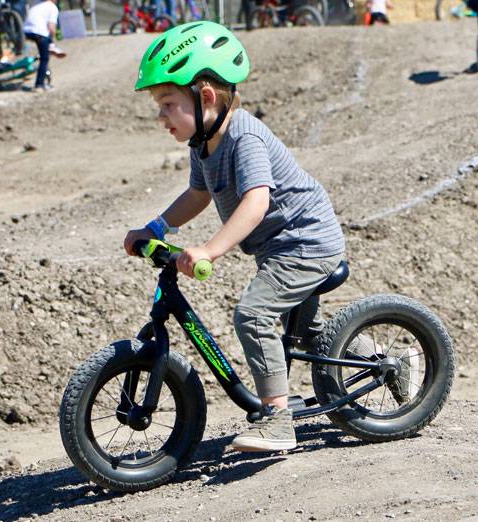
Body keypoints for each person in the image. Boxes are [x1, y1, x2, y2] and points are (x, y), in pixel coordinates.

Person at [124, 22, 347, 452]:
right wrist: (155, 228)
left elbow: (256, 202)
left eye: (168, 103)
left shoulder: (243, 137)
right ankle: (387, 360)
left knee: (253, 314)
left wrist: (211, 249)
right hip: (278, 248)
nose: (161, 116)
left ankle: (278, 420)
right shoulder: (204, 144)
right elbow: (197, 193)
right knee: (311, 335)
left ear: (205, 97)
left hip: (305, 242)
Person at [23, 0, 58, 91]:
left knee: (43, 51)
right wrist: (52, 40)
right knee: (45, 58)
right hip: (39, 33)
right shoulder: (52, 7)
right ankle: (39, 84)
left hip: (26, 31)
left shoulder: (37, 5)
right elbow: (51, 27)